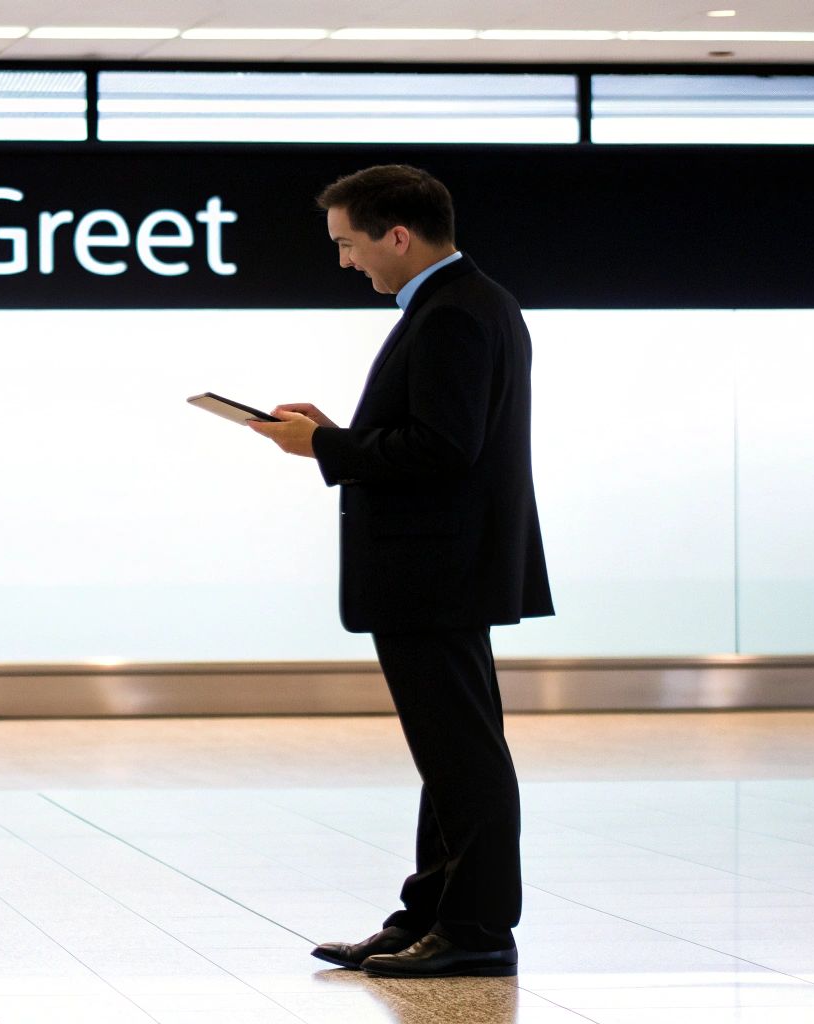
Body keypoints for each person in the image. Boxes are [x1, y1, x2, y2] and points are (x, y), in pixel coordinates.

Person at [247, 164, 554, 978]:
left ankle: (479, 929)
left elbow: (442, 451)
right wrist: (333, 433)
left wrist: (326, 447)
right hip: (445, 570)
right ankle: (431, 914)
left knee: (463, 757)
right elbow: (437, 437)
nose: (346, 262)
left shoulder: (454, 313)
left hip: (436, 573)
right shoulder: (464, 302)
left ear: (398, 235)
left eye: (349, 244)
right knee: (448, 757)